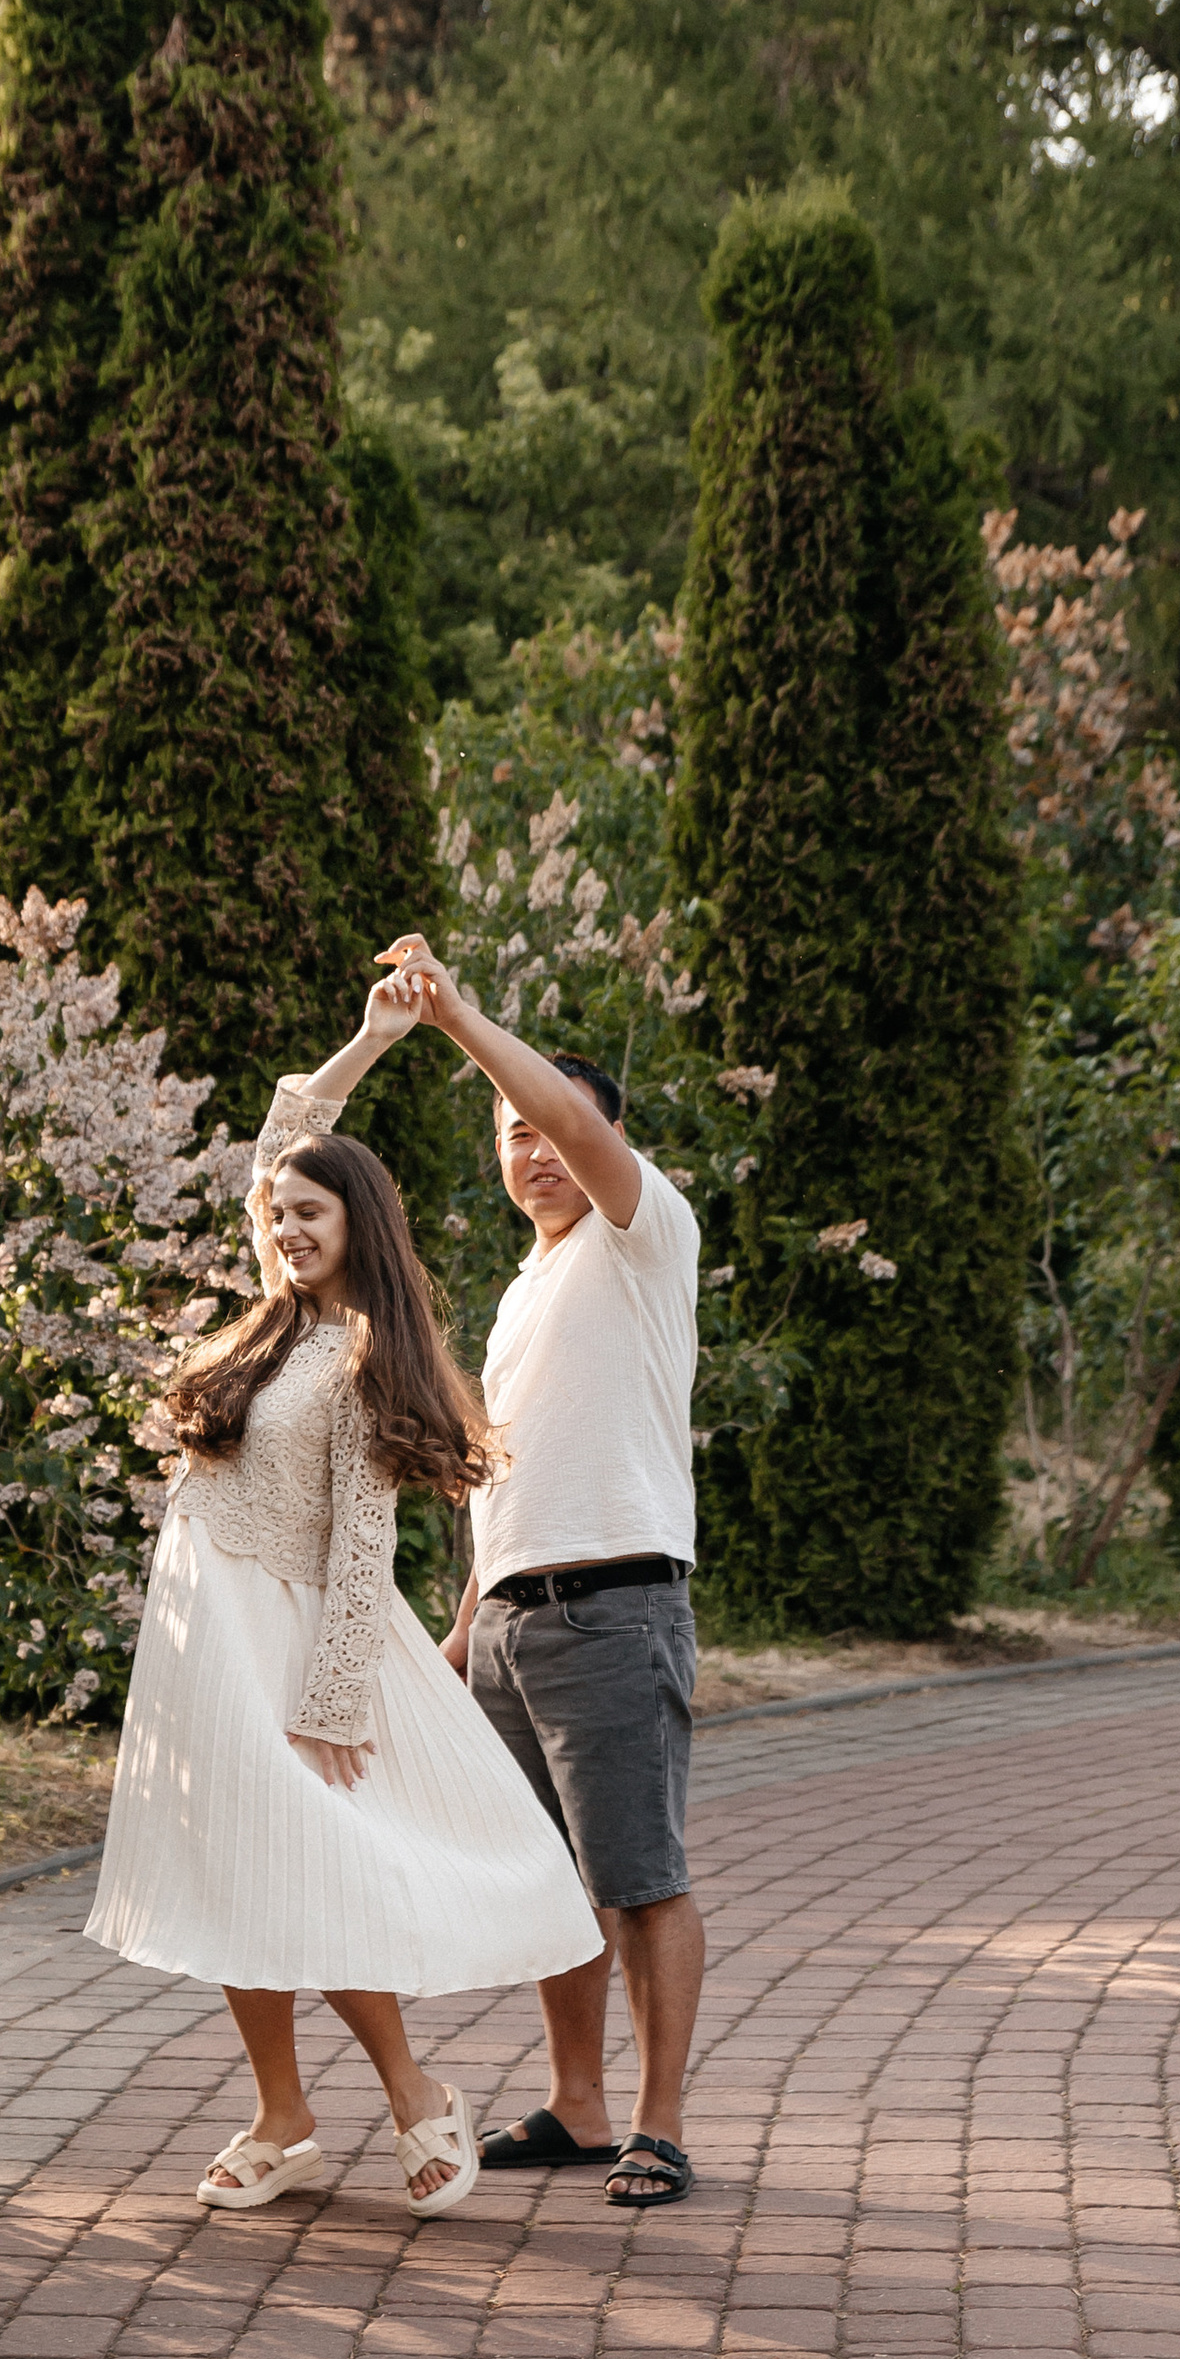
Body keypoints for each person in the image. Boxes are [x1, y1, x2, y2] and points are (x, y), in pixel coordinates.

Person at [85, 976, 603, 2216]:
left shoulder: (364, 1352)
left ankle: (413, 2091)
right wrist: (371, 1038)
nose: (283, 1229)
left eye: (308, 1214)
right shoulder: (267, 1327)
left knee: (307, 1869)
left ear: (355, 1222)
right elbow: (283, 1143)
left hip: (289, 1641)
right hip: (200, 1643)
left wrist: (332, 1700)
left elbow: (364, 1546)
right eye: (275, 1217)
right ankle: (281, 2112)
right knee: (227, 1875)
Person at [379, 937, 704, 2213]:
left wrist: (455, 1016)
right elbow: (504, 1487)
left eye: (549, 1128)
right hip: (515, 1620)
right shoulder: (526, 1290)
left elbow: (571, 1111)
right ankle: (575, 2107)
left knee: (639, 1881)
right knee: (545, 1886)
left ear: (607, 1142)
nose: (531, 1149)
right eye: (507, 1135)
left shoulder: (642, 1234)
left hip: (616, 1608)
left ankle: (656, 2122)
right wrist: (462, 1632)